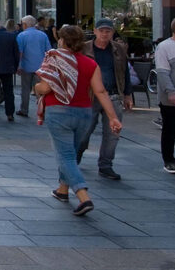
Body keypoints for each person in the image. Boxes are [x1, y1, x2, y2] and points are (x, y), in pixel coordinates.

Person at [36, 25, 122, 215]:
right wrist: (113, 117)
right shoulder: (90, 63)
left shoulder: (55, 59)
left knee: (65, 155)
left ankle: (83, 196)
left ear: (62, 41)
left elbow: (45, 87)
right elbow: (100, 91)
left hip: (58, 111)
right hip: (84, 112)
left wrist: (36, 88)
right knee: (71, 153)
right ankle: (62, 190)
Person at [78, 18, 132, 180]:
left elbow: (125, 72)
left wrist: (127, 94)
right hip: (90, 96)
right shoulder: (84, 48)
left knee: (113, 133)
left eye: (108, 31)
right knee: (85, 131)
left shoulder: (119, 49)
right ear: (95, 31)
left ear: (112, 33)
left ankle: (106, 165)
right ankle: (75, 157)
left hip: (113, 94)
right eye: (101, 30)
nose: (104, 34)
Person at [17, 15, 52, 117]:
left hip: (26, 66)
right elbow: (48, 50)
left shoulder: (21, 36)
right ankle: (42, 109)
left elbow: (20, 52)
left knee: (25, 89)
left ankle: (24, 109)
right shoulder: (43, 35)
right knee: (41, 89)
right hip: (40, 66)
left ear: (25, 24)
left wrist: (18, 65)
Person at [0, 16, 20, 121]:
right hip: (8, 67)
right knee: (9, 91)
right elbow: (16, 53)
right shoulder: (11, 36)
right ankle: (10, 112)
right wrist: (16, 66)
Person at [155, 20, 175, 174]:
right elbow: (162, 72)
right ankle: (168, 159)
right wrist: (170, 91)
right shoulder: (165, 47)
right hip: (170, 97)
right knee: (169, 128)